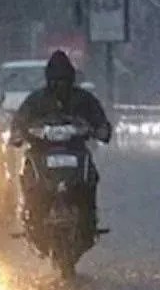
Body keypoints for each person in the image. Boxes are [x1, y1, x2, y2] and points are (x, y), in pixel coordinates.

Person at [9, 50, 112, 245]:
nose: (60, 86)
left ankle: (88, 218)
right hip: (40, 151)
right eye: (56, 81)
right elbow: (20, 122)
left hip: (76, 149)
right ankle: (32, 215)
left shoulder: (84, 99)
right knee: (29, 176)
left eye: (64, 80)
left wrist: (100, 129)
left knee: (90, 178)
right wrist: (18, 134)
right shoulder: (36, 100)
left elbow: (100, 121)